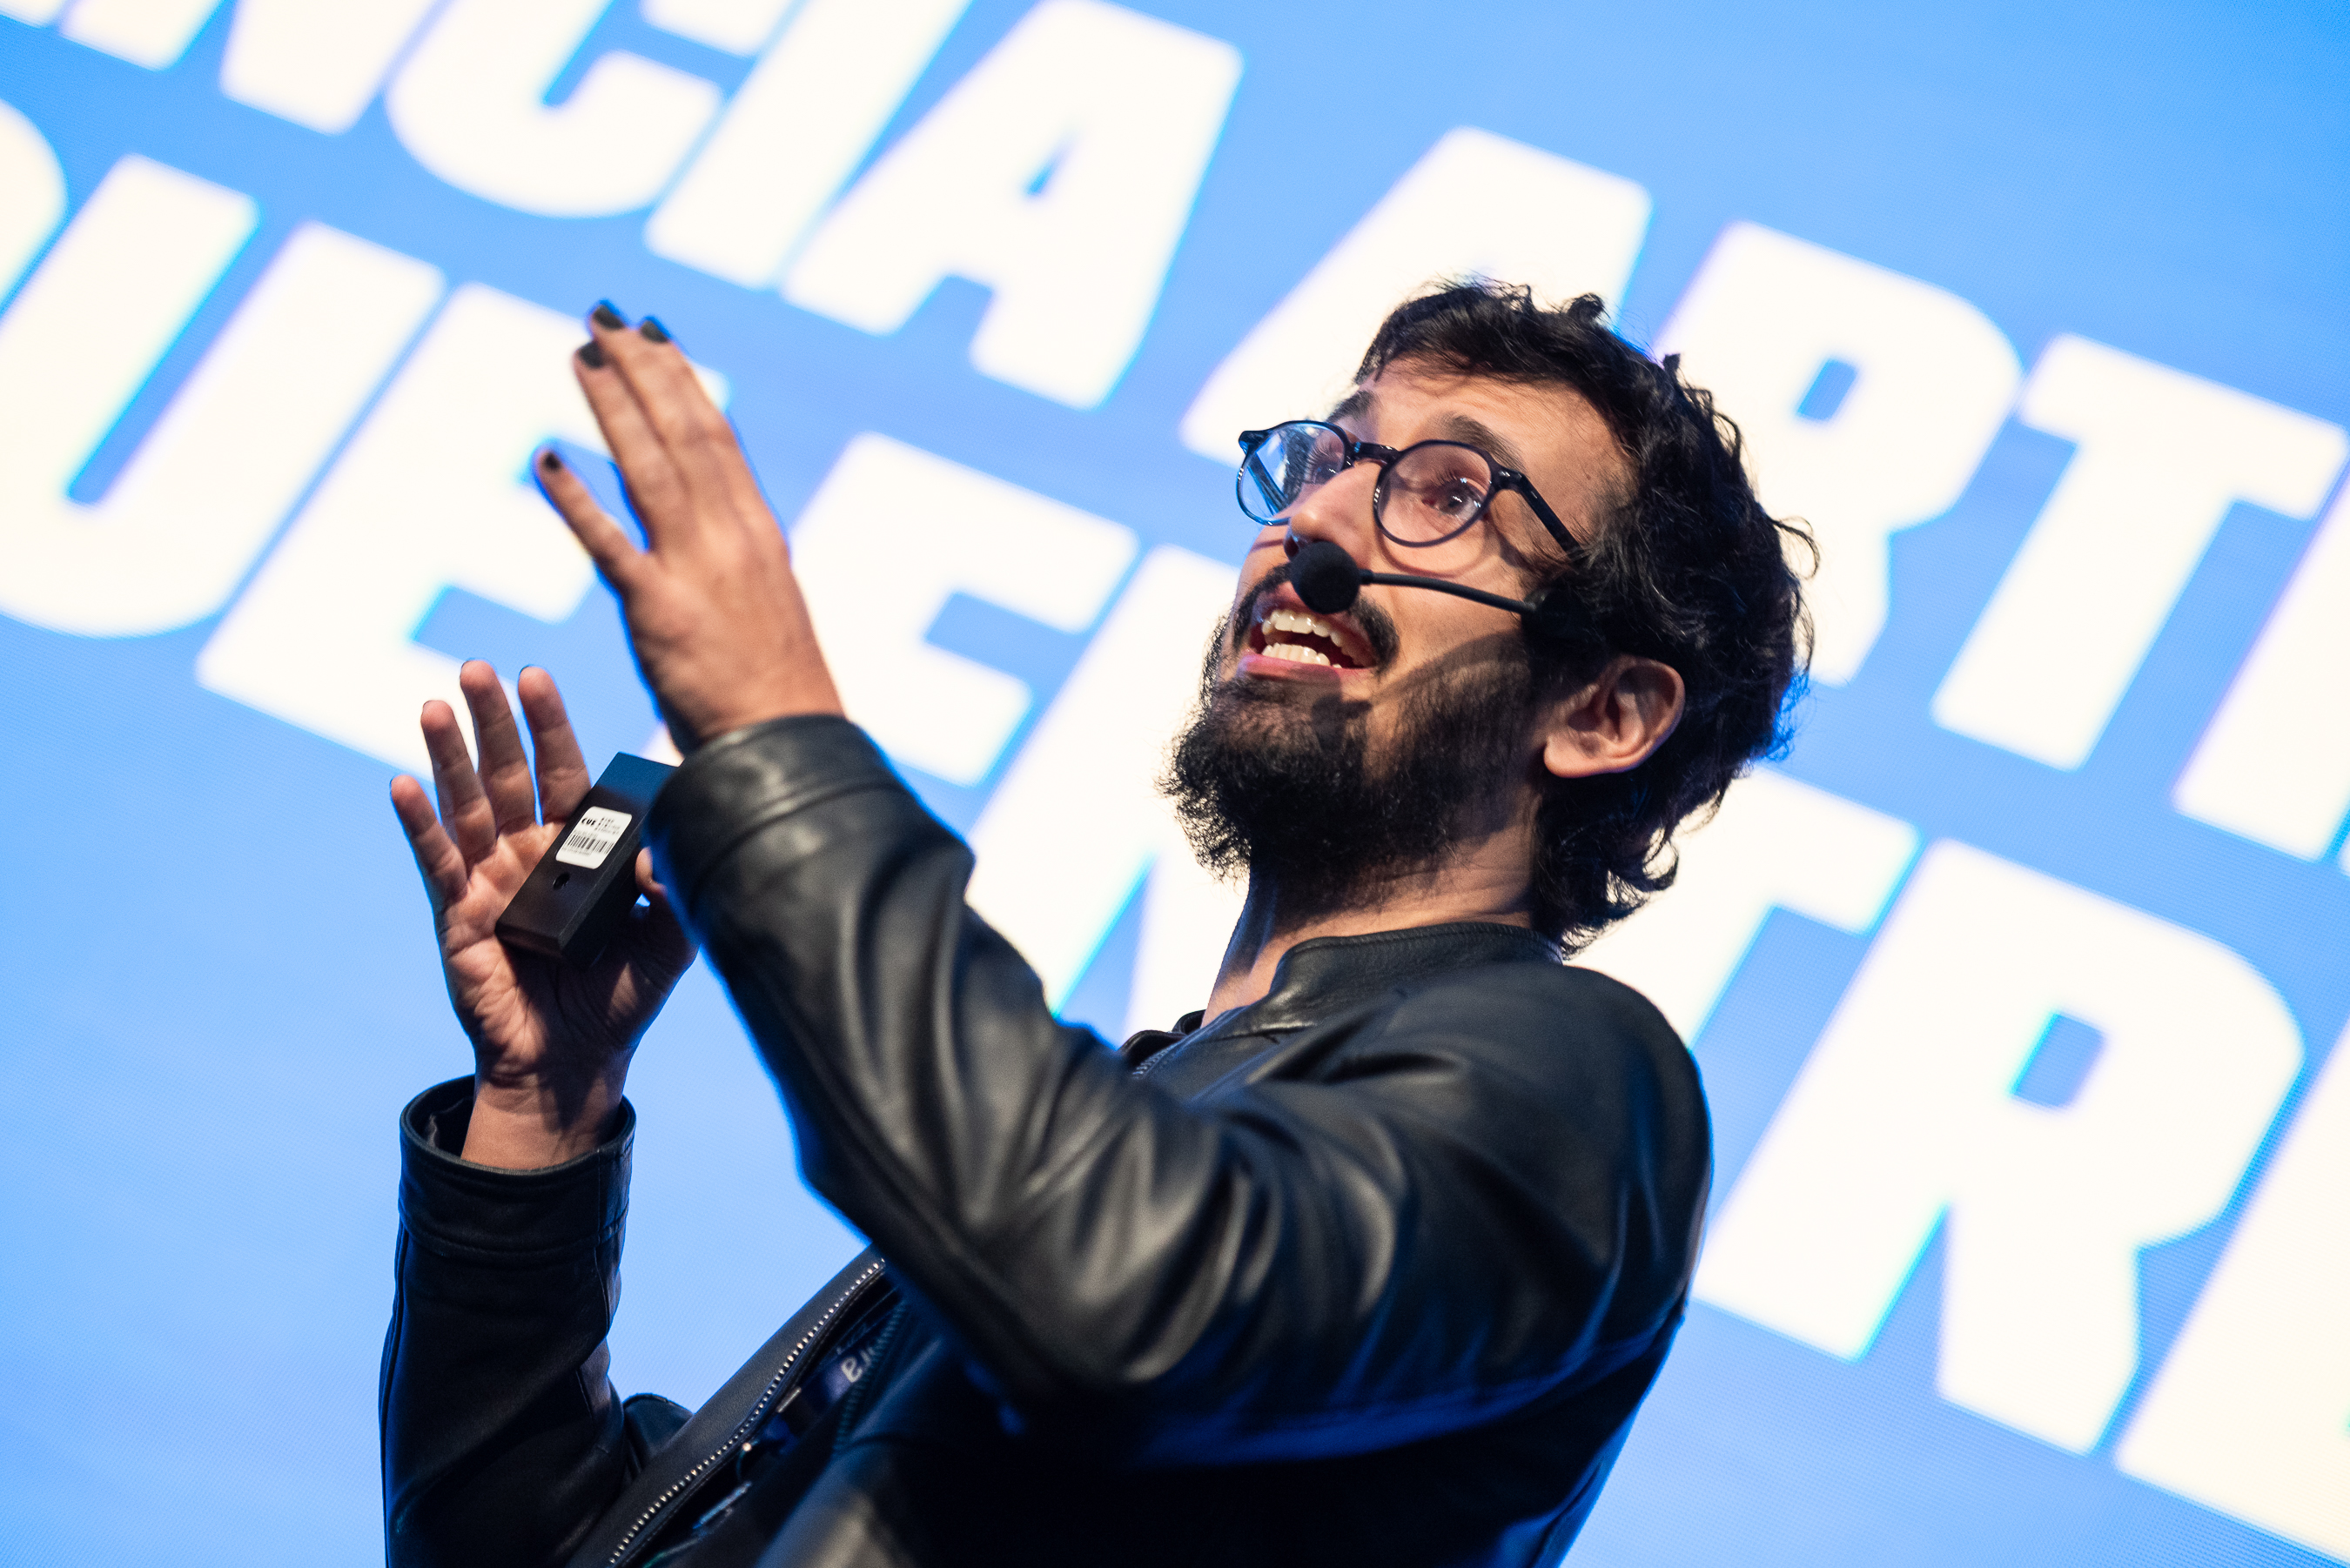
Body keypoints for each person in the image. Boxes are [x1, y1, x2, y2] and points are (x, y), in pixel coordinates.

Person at [379, 282, 1807, 1568]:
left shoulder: (1580, 1089)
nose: (1308, 523)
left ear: (1602, 712)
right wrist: (543, 1117)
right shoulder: (1143, 1103)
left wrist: (775, 733)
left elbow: (1116, 1298)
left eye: (1445, 491)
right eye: (1330, 460)